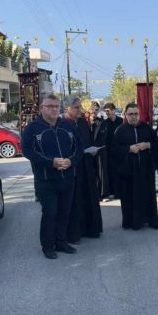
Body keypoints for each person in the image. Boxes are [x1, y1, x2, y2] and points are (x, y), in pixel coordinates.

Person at [21, 94, 83, 259]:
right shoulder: (32, 129)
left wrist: (71, 161)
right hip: (46, 179)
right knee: (50, 213)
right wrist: (51, 162)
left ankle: (61, 242)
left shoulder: (68, 126)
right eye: (50, 106)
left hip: (67, 177)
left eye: (56, 106)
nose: (54, 109)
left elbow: (79, 148)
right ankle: (48, 246)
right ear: (42, 108)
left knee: (64, 212)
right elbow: (27, 151)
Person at [113, 103, 158, 230]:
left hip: (145, 169)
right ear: (125, 115)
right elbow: (114, 149)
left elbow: (156, 144)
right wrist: (128, 149)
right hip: (129, 170)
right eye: (131, 114)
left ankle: (152, 220)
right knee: (130, 196)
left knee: (148, 195)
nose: (134, 117)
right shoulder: (120, 130)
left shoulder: (147, 128)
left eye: (136, 114)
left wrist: (147, 145)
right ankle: (132, 222)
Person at [63, 96, 103, 244]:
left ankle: (91, 229)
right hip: (73, 168)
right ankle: (74, 233)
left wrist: (92, 149)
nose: (79, 110)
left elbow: (88, 140)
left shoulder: (81, 122)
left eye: (80, 107)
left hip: (86, 165)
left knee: (89, 196)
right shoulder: (62, 125)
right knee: (75, 200)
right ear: (67, 108)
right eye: (76, 108)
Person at [102, 102, 123, 200]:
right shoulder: (105, 123)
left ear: (113, 110)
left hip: (120, 150)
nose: (107, 113)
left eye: (108, 111)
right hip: (109, 151)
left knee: (120, 171)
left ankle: (120, 192)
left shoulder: (121, 121)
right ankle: (112, 191)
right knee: (111, 172)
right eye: (105, 111)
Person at [90, 103, 109, 199]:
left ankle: (102, 194)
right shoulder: (83, 121)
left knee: (101, 172)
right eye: (92, 109)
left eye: (96, 109)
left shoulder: (102, 122)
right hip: (86, 151)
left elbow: (103, 137)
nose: (94, 111)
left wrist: (95, 147)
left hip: (99, 150)